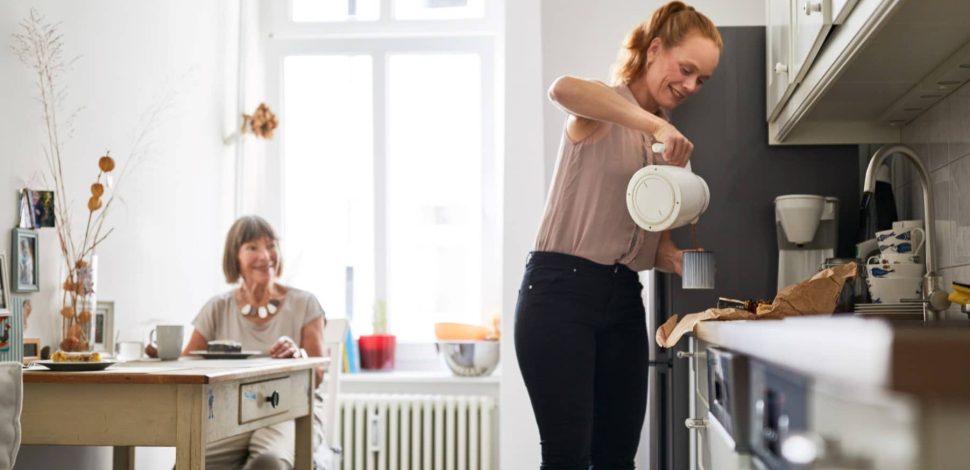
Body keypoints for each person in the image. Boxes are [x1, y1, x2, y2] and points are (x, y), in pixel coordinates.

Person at [513, 2, 722, 468]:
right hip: (559, 294)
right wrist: (656, 123)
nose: (690, 86)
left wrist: (724, 283)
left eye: (701, 79)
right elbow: (561, 88)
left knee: (617, 460)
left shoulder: (667, 148)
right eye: (686, 69)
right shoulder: (605, 109)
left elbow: (659, 251)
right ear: (653, 50)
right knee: (568, 458)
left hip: (625, 297)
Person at [146, 215, 327, 470]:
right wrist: (162, 357)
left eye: (271, 245)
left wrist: (300, 357)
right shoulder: (217, 307)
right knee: (189, 462)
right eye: (253, 247)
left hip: (291, 411)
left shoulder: (305, 304)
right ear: (235, 257)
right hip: (234, 414)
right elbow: (186, 365)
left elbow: (318, 374)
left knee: (269, 463)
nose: (266, 255)